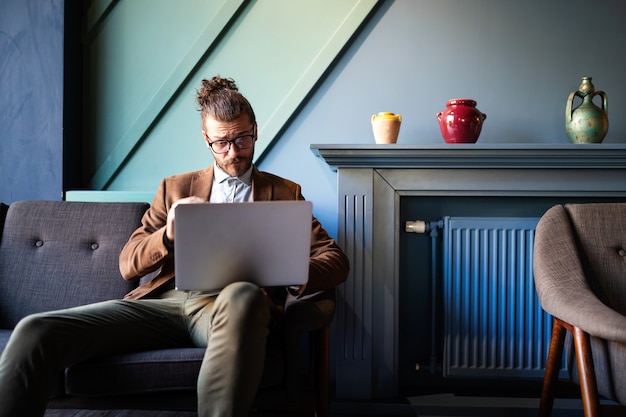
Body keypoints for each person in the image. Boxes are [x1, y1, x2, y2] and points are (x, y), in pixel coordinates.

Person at [0, 76, 350, 417]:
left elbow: (335, 259)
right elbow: (128, 263)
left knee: (243, 294)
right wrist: (167, 235)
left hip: (229, 309)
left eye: (242, 139)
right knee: (36, 329)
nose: (233, 152)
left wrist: (299, 274)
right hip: (165, 304)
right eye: (221, 143)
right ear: (206, 139)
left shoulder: (284, 193)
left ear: (255, 130)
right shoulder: (175, 189)